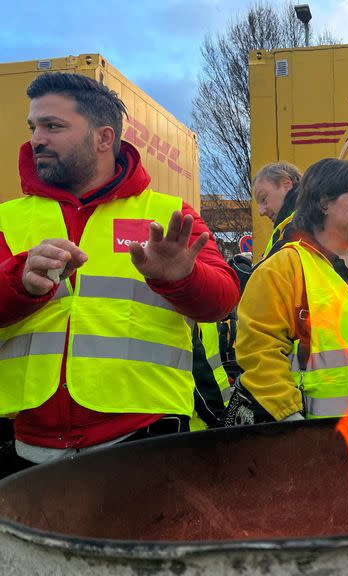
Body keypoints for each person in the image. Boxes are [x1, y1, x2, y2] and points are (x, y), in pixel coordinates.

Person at [0, 73, 240, 477]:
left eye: (52, 126)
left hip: (145, 442)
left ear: (103, 138)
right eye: (34, 126)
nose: (36, 139)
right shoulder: (8, 218)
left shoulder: (167, 212)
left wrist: (181, 278)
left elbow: (223, 301)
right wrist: (18, 284)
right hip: (27, 449)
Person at [225, 158, 348, 424]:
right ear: (323, 203)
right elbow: (259, 352)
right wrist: (291, 418)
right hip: (330, 446)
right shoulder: (283, 268)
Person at [252, 161, 302, 261]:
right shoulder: (286, 228)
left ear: (286, 184)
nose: (261, 212)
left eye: (263, 198)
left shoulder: (301, 226)